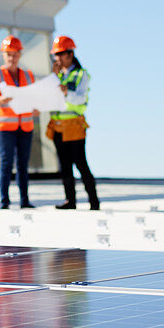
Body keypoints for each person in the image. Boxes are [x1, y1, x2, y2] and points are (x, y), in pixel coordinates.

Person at [48, 36, 99, 210]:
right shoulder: (57, 76)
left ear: (70, 54)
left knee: (80, 163)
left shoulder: (80, 74)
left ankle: (94, 201)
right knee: (65, 166)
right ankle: (70, 201)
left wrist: (65, 92)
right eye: (56, 55)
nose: (57, 59)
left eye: (60, 54)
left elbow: (79, 99)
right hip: (58, 127)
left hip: (74, 126)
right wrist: (54, 79)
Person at [0, 35, 35, 209]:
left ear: (20, 55)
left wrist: (35, 107)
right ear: (3, 55)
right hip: (4, 126)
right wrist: (1, 99)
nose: (11, 58)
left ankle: (25, 201)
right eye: (8, 54)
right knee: (6, 162)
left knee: (23, 164)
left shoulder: (28, 76)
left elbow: (34, 98)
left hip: (25, 124)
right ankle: (4, 202)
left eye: (14, 54)